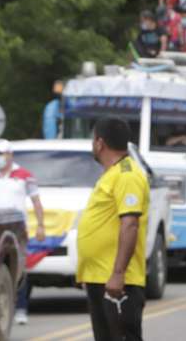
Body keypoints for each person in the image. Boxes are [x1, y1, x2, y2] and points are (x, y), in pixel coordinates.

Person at [77, 118, 150, 341]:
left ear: (100, 143)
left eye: (93, 140)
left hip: (117, 281)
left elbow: (130, 224)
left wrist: (118, 274)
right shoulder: (113, 173)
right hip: (100, 276)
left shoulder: (127, 175)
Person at [0, 139, 46, 325]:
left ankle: (21, 308)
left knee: (20, 269)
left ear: (10, 155)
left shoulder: (24, 175)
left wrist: (40, 225)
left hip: (17, 229)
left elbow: (36, 202)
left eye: (0, 154)